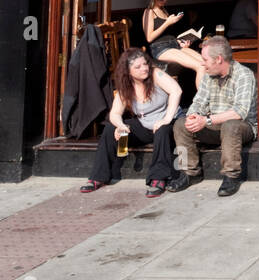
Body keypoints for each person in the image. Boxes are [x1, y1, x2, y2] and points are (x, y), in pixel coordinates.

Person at [80, 47, 189, 198]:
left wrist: (166, 119)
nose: (144, 68)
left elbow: (176, 90)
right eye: (137, 67)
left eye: (145, 64)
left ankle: (158, 178)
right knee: (110, 128)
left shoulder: (155, 73)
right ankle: (98, 177)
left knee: (163, 130)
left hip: (167, 123)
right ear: (128, 71)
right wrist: (121, 126)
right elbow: (115, 113)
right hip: (145, 126)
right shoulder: (126, 86)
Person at [168, 35, 257, 197]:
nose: (202, 63)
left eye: (205, 59)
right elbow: (198, 102)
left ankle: (231, 175)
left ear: (219, 59)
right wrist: (193, 116)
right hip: (213, 125)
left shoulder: (244, 75)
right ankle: (189, 173)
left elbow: (239, 112)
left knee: (231, 125)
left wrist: (207, 120)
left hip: (240, 127)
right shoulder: (208, 76)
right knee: (180, 123)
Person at [142, 0, 206, 88]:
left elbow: (167, 34)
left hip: (173, 44)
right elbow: (149, 38)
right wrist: (167, 23)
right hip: (160, 48)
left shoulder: (164, 10)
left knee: (205, 63)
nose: (165, 0)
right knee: (200, 66)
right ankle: (202, 103)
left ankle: (211, 97)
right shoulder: (149, 12)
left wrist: (180, 42)